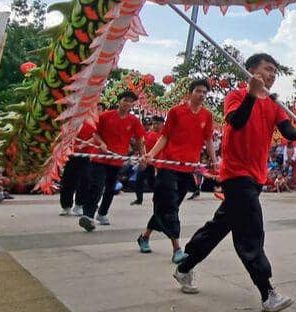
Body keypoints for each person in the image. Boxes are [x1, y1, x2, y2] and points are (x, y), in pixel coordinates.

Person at [173, 54, 296, 312]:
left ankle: (184, 266)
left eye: (274, 72)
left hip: (257, 175)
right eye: (267, 69)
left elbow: (288, 132)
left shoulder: (273, 104)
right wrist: (251, 93)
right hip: (236, 174)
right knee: (250, 230)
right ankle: (267, 292)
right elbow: (236, 121)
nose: (271, 75)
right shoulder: (236, 96)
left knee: (221, 225)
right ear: (250, 71)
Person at [137, 80, 216, 262]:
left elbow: (209, 141)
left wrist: (214, 161)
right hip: (168, 167)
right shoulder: (176, 112)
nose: (202, 95)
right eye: (198, 91)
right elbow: (164, 137)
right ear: (190, 93)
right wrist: (150, 155)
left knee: (168, 206)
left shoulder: (207, 116)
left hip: (187, 169)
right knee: (170, 207)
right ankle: (177, 249)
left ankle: (145, 236)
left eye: (205, 92)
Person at [79, 92, 144, 232]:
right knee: (96, 186)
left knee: (110, 188)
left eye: (130, 101)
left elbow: (139, 139)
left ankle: (102, 213)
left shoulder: (134, 121)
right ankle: (88, 215)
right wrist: (101, 143)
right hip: (100, 157)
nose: (127, 103)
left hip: (117, 159)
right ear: (119, 101)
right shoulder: (106, 116)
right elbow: (95, 133)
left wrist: (143, 156)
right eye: (125, 100)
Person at [59, 120, 97, 217]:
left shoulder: (95, 122)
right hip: (71, 154)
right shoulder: (71, 121)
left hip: (87, 155)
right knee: (68, 180)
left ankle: (79, 205)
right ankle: (66, 206)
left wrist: (83, 145)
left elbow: (96, 136)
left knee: (85, 180)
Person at [131, 117, 164, 205]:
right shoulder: (148, 134)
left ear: (162, 124)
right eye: (154, 124)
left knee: (154, 182)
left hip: (158, 163)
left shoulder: (163, 136)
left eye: (158, 124)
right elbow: (142, 145)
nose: (155, 126)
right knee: (139, 179)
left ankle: (158, 198)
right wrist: (142, 157)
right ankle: (139, 199)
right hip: (147, 161)